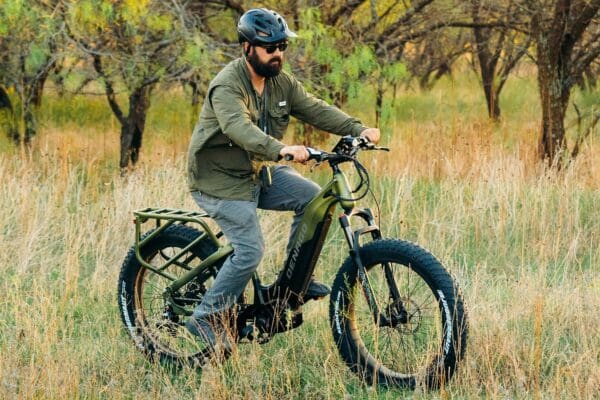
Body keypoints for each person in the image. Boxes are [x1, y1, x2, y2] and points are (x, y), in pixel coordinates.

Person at [185, 8, 380, 354]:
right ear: (247, 48)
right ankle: (205, 316)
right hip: (220, 180)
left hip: (259, 170)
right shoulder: (227, 86)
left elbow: (315, 108)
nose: (278, 54)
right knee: (249, 251)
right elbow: (238, 129)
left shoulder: (282, 82)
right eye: (269, 47)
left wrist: (357, 129)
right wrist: (283, 150)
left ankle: (290, 288)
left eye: (281, 46)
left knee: (315, 202)